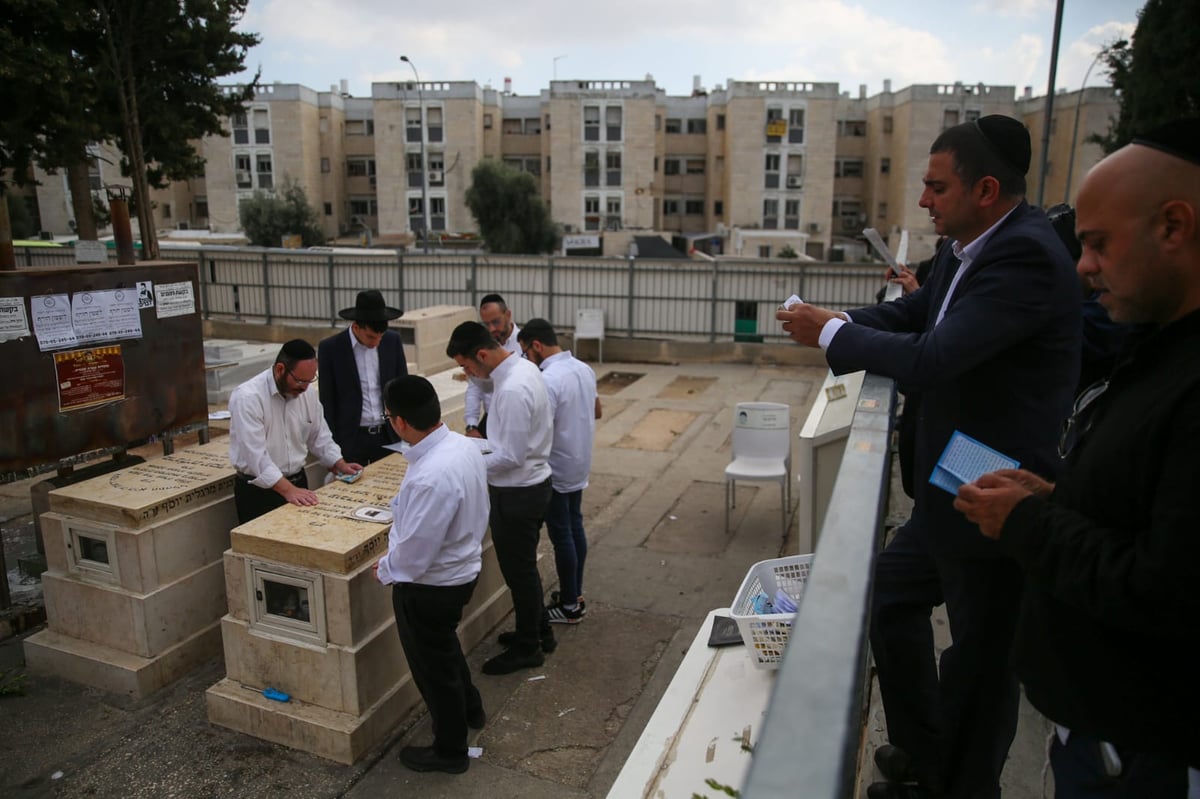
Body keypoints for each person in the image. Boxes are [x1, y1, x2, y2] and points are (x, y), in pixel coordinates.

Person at [776, 115, 1081, 799]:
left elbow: (935, 358)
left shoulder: (1023, 255)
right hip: (951, 482)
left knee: (980, 664)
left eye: (936, 188)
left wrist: (828, 335)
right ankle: (923, 749)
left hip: (999, 492)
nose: (923, 201)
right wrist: (842, 320)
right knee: (888, 593)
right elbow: (917, 317)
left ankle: (960, 784)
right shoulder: (969, 246)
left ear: (987, 190)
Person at [954, 118, 1200, 798]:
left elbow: (1166, 587)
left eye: (1096, 245)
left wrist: (1029, 521)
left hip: (1142, 761)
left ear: (1174, 226)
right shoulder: (1159, 347)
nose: (1083, 267)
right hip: (1102, 743)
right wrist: (1054, 496)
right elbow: (1144, 510)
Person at [373, 375, 489, 775]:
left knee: (432, 669)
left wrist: (386, 569)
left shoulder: (430, 476)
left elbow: (415, 554)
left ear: (400, 422)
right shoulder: (461, 444)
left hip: (430, 586)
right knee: (444, 650)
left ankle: (450, 749)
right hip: (460, 571)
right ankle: (471, 708)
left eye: (389, 416)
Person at [446, 321, 554, 674]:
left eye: (466, 366)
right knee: (525, 570)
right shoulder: (523, 368)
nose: (468, 374)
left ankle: (529, 648)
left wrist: (466, 462)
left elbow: (510, 456)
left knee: (518, 573)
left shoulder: (510, 388)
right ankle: (539, 631)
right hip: (531, 485)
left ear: (481, 354)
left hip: (518, 493)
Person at [516, 318, 602, 624]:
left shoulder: (548, 379)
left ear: (536, 345)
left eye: (526, 352)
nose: (526, 358)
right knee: (575, 527)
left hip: (556, 467)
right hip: (579, 461)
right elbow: (597, 410)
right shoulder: (583, 368)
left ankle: (569, 605)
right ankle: (574, 593)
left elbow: (539, 430)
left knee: (562, 534)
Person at [228, 339, 361, 524]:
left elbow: (319, 435)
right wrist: (288, 491)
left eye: (310, 380)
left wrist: (339, 463)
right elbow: (256, 456)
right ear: (280, 369)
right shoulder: (248, 398)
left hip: (298, 482)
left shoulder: (307, 393)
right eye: (299, 380)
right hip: (259, 493)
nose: (305, 387)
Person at [317, 290, 408, 466]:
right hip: (351, 439)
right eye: (371, 337)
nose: (376, 343)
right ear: (357, 327)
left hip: (388, 435)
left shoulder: (392, 341)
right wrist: (333, 449)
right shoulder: (331, 348)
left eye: (380, 337)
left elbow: (402, 387)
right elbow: (327, 401)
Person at [464, 293, 521, 439]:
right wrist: (471, 425)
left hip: (517, 419)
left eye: (495, 322)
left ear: (508, 314)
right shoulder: (483, 346)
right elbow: (474, 386)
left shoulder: (523, 345)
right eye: (486, 324)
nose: (491, 329)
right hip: (490, 419)